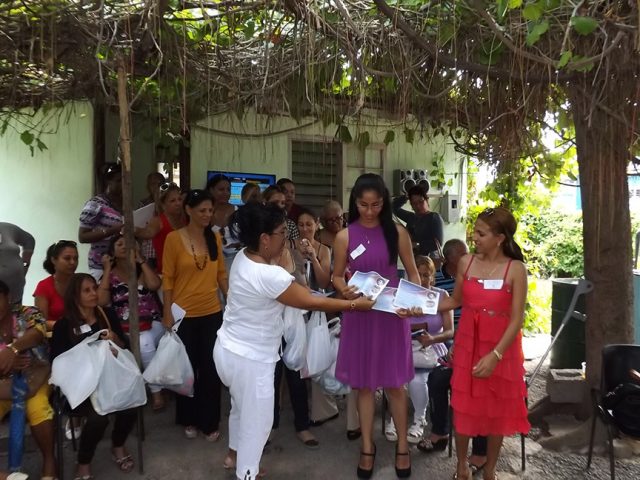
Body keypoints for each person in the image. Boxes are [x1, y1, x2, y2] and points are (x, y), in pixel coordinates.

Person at [213, 202, 375, 480]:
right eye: (281, 234)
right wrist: (353, 305)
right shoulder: (269, 275)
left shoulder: (244, 256)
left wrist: (286, 266)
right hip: (252, 361)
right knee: (258, 425)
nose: (287, 240)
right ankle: (246, 472)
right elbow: (311, 300)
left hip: (228, 350)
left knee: (240, 409)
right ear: (265, 239)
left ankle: (234, 456)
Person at [332, 173, 423, 479]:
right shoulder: (345, 236)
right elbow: (335, 276)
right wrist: (345, 291)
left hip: (391, 315)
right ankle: (367, 447)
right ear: (354, 203)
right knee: (364, 386)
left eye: (376, 205)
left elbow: (413, 273)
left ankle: (402, 448)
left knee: (395, 385)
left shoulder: (397, 232)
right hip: (359, 314)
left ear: (384, 203)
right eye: (363, 205)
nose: (369, 211)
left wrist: (413, 304)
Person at [439, 207, 529, 480]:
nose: (474, 237)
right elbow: (454, 301)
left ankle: (490, 470)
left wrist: (496, 355)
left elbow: (516, 319)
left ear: (500, 237)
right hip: (469, 342)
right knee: (464, 404)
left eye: (481, 233)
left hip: (501, 348)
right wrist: (419, 305)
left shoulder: (516, 269)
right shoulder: (466, 262)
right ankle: (461, 467)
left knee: (497, 408)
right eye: (474, 231)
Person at [50, 273, 137, 479]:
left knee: (131, 405)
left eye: (94, 288)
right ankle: (84, 461)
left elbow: (126, 348)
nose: (93, 293)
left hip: (109, 381)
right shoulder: (64, 325)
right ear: (75, 296)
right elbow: (58, 363)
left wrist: (115, 340)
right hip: (79, 387)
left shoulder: (106, 315)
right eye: (86, 290)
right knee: (99, 417)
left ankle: (118, 445)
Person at [162, 189, 228, 441]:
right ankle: (188, 418)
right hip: (183, 315)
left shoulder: (215, 237)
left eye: (210, 210)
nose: (207, 215)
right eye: (202, 210)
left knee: (211, 369)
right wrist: (167, 312)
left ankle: (209, 421)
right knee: (186, 369)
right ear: (188, 210)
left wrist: (230, 301)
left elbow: (221, 273)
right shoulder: (173, 239)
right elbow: (167, 278)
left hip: (211, 312)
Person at [418, 239, 488, 474]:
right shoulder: (440, 279)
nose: (468, 259)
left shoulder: (481, 281)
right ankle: (441, 432)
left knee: (477, 387)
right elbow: (443, 307)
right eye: (463, 255)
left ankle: (480, 451)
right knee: (437, 378)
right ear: (450, 260)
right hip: (457, 342)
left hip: (481, 346)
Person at [385, 256, 453, 444]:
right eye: (417, 274)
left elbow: (449, 331)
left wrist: (433, 338)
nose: (422, 279)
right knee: (397, 377)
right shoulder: (402, 296)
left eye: (426, 275)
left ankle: (418, 421)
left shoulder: (441, 296)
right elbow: (389, 327)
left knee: (416, 380)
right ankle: (394, 419)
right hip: (404, 347)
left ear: (432, 277)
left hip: (431, 347)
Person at [98, 235, 165, 410]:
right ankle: (151, 389)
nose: (124, 246)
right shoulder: (109, 276)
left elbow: (155, 284)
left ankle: (155, 391)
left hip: (152, 323)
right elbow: (102, 300)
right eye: (119, 244)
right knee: (141, 341)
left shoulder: (141, 270)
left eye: (128, 243)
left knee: (144, 341)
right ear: (112, 251)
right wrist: (106, 269)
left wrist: (140, 259)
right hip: (123, 326)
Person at [0, 281, 55, 480]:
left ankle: (50, 462)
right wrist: (7, 363)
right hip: (3, 385)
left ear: (8, 297)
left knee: (38, 408)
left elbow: (38, 333)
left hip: (36, 377)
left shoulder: (27, 312)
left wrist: (12, 350)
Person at [78, 163, 124, 280]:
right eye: (118, 181)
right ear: (109, 182)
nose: (122, 184)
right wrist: (112, 230)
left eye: (124, 181)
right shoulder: (95, 204)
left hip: (120, 265)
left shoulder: (124, 205)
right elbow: (82, 236)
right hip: (100, 265)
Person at [135, 182, 185, 273]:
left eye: (179, 199)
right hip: (166, 273)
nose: (178, 203)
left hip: (187, 272)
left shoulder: (187, 219)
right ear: (163, 204)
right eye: (172, 201)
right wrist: (135, 230)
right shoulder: (158, 221)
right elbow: (148, 232)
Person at [33, 240, 79, 331]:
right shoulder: (44, 286)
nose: (72, 262)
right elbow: (41, 323)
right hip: (55, 336)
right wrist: (67, 327)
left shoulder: (81, 282)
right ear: (53, 260)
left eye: (76, 258)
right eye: (67, 258)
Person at [392, 184, 444, 257]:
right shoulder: (411, 217)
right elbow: (393, 207)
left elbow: (438, 243)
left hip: (430, 262)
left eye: (421, 201)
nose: (418, 206)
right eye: (414, 203)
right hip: (413, 259)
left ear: (426, 200)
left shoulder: (434, 217)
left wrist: (416, 244)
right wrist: (406, 196)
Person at [207, 174, 241, 268]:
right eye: (221, 189)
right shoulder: (205, 213)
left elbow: (248, 239)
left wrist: (239, 244)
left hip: (236, 262)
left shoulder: (238, 211)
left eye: (228, 190)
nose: (225, 193)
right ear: (211, 190)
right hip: (212, 263)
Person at [0, 223, 35, 305]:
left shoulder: (6, 228)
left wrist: (25, 265)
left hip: (15, 291)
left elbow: (29, 240)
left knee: (15, 317)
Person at [137, 172, 167, 268]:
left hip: (165, 247)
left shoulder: (168, 203)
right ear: (148, 186)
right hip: (148, 249)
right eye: (153, 184)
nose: (156, 187)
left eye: (159, 184)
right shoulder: (143, 203)